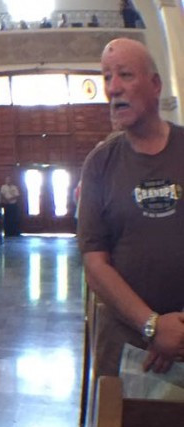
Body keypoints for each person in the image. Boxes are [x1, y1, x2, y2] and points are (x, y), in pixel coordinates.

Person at [80, 38, 184, 377]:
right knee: (121, 413)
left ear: (155, 85)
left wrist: (177, 330)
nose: (113, 88)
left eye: (125, 75)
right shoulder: (99, 164)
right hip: (124, 343)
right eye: (107, 77)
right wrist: (153, 326)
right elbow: (95, 263)